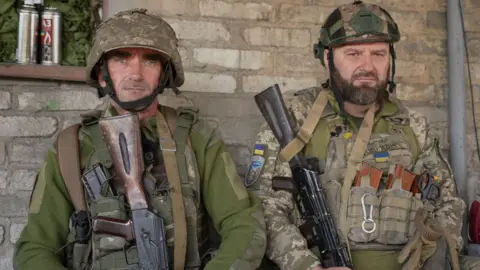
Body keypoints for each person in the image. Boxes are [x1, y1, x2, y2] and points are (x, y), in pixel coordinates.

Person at [14, 8, 266, 270]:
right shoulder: (72, 148)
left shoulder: (197, 139)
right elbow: (34, 249)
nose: (135, 74)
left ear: (164, 74)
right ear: (102, 74)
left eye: (149, 61)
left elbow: (243, 223)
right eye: (121, 59)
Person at [248, 1, 474, 269]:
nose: (367, 66)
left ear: (391, 59)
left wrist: (430, 258)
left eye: (378, 54)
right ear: (327, 58)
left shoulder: (413, 127)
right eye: (353, 54)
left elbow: (448, 204)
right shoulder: (295, 118)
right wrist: (307, 266)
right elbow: (265, 208)